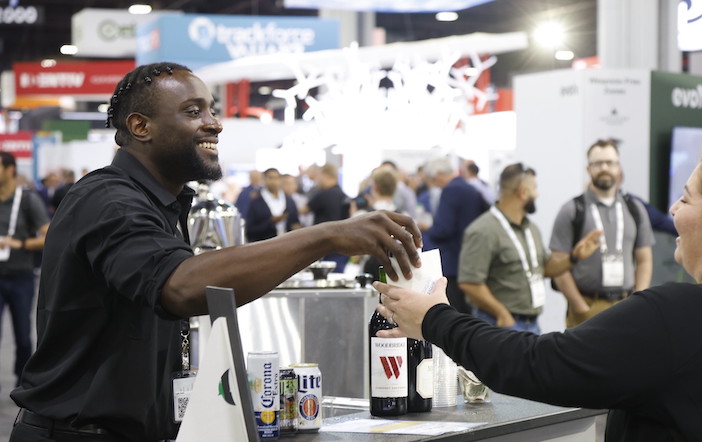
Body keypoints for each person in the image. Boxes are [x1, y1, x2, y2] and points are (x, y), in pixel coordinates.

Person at [9, 62, 422, 442]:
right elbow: (179, 286)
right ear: (140, 126)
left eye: (211, 110)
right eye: (193, 112)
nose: (215, 124)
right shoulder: (110, 200)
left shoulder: (161, 204)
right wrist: (325, 237)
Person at [374, 144, 702, 441]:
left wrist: (435, 318)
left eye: (687, 197)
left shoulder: (685, 314)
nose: (673, 209)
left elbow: (540, 365)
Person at [458, 163, 600, 333]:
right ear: (523, 193)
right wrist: (502, 313)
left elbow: (544, 268)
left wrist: (573, 258)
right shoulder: (483, 230)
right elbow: (470, 283)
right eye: (535, 188)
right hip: (499, 325)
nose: (537, 193)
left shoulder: (530, 228)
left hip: (531, 324)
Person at [550, 139, 654, 327]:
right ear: (588, 169)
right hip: (588, 304)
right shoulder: (572, 210)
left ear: (618, 167)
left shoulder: (635, 209)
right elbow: (558, 265)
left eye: (610, 162)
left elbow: (644, 259)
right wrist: (579, 306)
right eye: (597, 163)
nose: (604, 168)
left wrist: (639, 299)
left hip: (627, 304)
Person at [0, 152, 50, 387]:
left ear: (10, 170)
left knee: (22, 335)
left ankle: (22, 384)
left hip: (21, 277)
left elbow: (48, 235)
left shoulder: (27, 200)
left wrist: (19, 244)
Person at [421, 156, 488, 314]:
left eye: (433, 179)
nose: (434, 183)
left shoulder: (451, 190)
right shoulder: (467, 188)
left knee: (453, 313)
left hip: (452, 261)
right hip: (467, 257)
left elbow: (443, 229)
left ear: (439, 174)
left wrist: (427, 228)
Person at [299, 163, 350, 272]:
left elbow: (303, 210)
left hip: (325, 245)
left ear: (325, 175)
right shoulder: (342, 195)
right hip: (342, 244)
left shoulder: (323, 194)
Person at [244, 168, 300, 242]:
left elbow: (295, 222)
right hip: (265, 245)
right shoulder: (256, 202)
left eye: (277, 178)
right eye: (271, 178)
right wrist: (270, 222)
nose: (274, 182)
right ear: (264, 179)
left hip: (287, 244)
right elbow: (250, 230)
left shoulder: (289, 201)